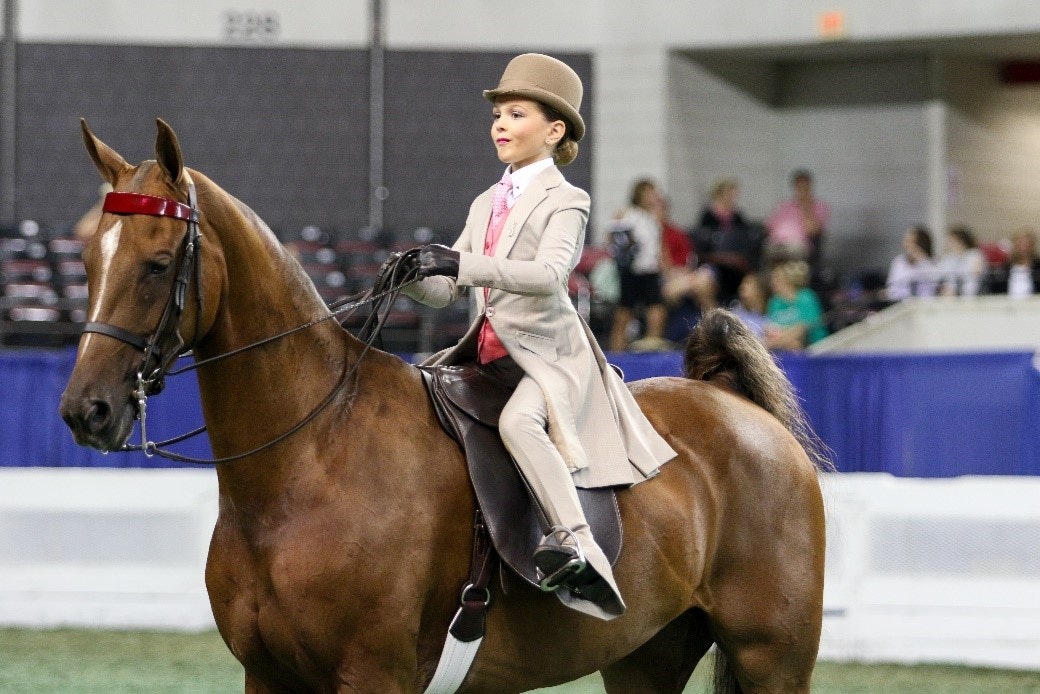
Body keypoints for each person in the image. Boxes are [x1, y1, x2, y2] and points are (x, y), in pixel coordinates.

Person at [401, 53, 677, 620]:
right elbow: (450, 289)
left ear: (554, 132)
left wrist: (456, 263)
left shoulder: (568, 201)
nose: (500, 123)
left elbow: (550, 276)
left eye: (516, 113)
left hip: (549, 358)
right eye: (498, 113)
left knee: (519, 422)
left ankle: (577, 541)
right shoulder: (486, 203)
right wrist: (411, 279)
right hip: (486, 353)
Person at [607, 179, 671, 352]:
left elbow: (658, 245)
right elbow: (614, 238)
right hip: (632, 271)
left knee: (656, 308)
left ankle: (652, 346)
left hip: (650, 270)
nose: (652, 197)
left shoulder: (653, 217)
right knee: (624, 312)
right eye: (648, 193)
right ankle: (616, 353)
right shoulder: (627, 214)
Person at [690, 177, 762, 307]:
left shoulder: (737, 216)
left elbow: (744, 239)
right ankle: (714, 314)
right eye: (730, 193)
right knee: (703, 280)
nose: (733, 197)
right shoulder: (708, 216)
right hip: (714, 262)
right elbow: (702, 241)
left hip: (734, 264)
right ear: (720, 193)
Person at [765, 169, 829, 269]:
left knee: (793, 252)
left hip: (798, 244)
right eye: (799, 186)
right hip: (778, 243)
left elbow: (813, 230)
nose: (802, 190)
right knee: (768, 250)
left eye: (805, 187)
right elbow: (769, 226)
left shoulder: (818, 206)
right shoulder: (785, 206)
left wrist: (806, 206)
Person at [765, 260, 828, 350]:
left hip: (815, 348)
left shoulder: (806, 296)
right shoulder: (775, 302)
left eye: (776, 278)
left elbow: (804, 328)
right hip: (784, 347)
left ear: (788, 279)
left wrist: (779, 340)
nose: (771, 283)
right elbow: (771, 329)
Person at [885, 224, 939, 300]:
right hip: (901, 302)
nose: (907, 244)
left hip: (925, 303)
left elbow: (937, 281)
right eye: (906, 240)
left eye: (911, 241)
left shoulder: (932, 262)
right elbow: (892, 286)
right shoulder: (899, 261)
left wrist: (922, 259)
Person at [938, 224, 986, 296]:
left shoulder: (975, 255)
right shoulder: (948, 258)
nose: (948, 244)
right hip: (950, 296)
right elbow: (938, 275)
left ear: (961, 241)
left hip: (972, 295)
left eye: (951, 241)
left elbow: (975, 278)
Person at [994, 227, 1040, 297]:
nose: (1024, 247)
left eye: (1027, 243)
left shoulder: (1037, 267)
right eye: (1020, 243)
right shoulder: (1006, 267)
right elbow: (998, 289)